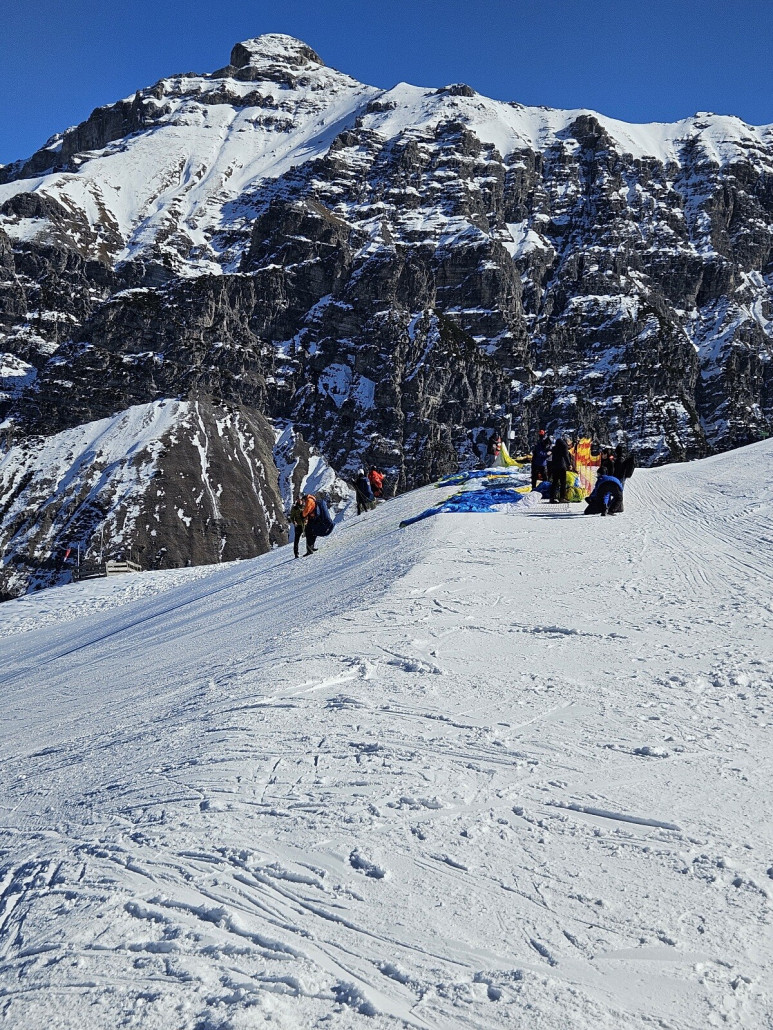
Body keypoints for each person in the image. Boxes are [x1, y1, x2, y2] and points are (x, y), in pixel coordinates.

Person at [549, 435, 574, 502]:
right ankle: (562, 497)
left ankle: (552, 498)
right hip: (561, 467)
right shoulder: (564, 448)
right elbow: (566, 457)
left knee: (554, 482)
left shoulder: (554, 449)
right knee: (563, 483)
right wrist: (569, 465)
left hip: (554, 467)